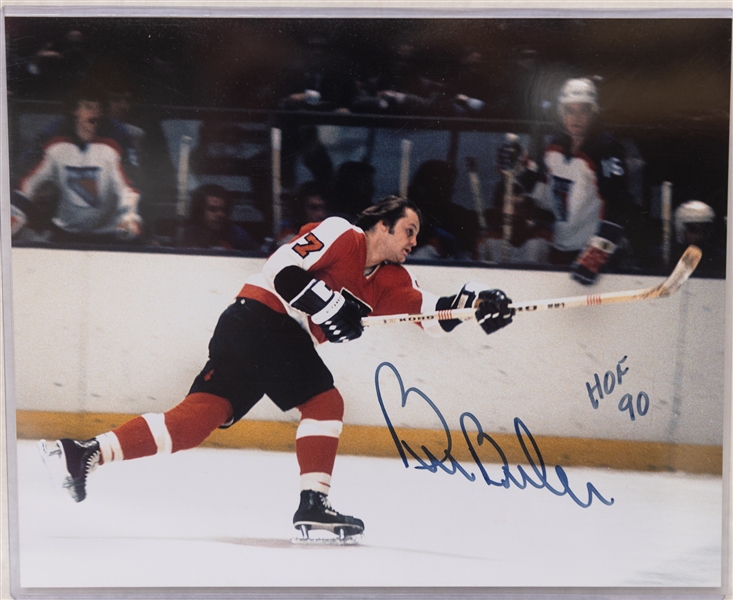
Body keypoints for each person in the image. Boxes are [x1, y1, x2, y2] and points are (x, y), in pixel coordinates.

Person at [38, 196, 515, 541]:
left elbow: (433, 315)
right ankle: (314, 505)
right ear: (382, 226)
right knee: (325, 402)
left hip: (253, 336)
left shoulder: (389, 282)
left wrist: (478, 306)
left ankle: (87, 453)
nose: (415, 241)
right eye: (408, 230)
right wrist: (329, 307)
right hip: (260, 318)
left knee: (193, 423)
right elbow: (281, 270)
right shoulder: (340, 233)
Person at [497, 77, 636, 284]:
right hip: (561, 251)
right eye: (570, 110)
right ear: (561, 113)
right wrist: (520, 169)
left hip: (597, 258)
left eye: (583, 110)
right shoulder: (554, 148)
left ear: (594, 111)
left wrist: (598, 252)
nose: (576, 117)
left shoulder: (606, 149)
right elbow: (547, 197)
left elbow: (619, 204)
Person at [11, 81, 143, 244]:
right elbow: (27, 183)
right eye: (88, 107)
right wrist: (12, 216)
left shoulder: (116, 140)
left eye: (99, 108)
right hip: (64, 235)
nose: (95, 114)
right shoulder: (54, 140)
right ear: (75, 110)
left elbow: (128, 187)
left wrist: (128, 216)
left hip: (107, 237)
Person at [179, 184, 259, 251]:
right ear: (199, 211)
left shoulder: (239, 237)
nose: (221, 214)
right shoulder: (187, 235)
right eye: (212, 209)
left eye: (224, 209)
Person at [672, 200, 726, 277]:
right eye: (694, 229)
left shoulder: (718, 258)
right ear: (681, 229)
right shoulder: (671, 257)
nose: (700, 235)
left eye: (705, 229)